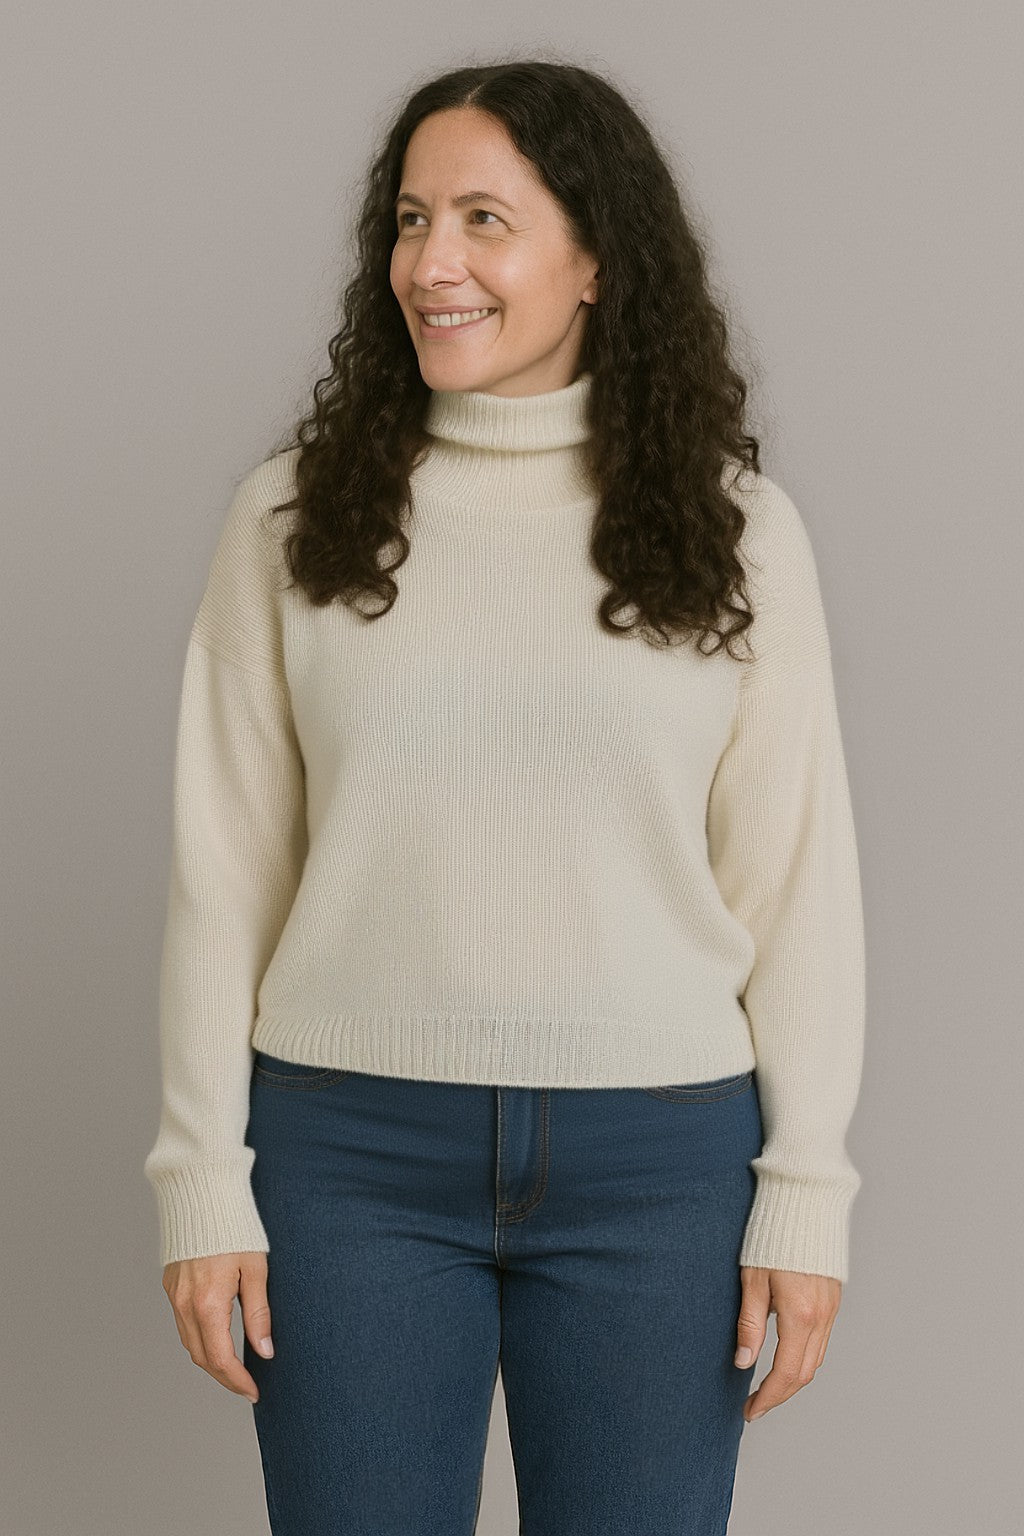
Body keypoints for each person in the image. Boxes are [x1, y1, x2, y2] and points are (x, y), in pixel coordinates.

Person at [144, 58, 866, 1536]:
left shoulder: (735, 532)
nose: (433, 263)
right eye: (412, 220)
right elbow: (226, 871)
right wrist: (200, 1178)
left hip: (660, 1171)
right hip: (347, 1160)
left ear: (597, 258)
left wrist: (808, 1191)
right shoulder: (293, 517)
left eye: (486, 218)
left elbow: (797, 880)